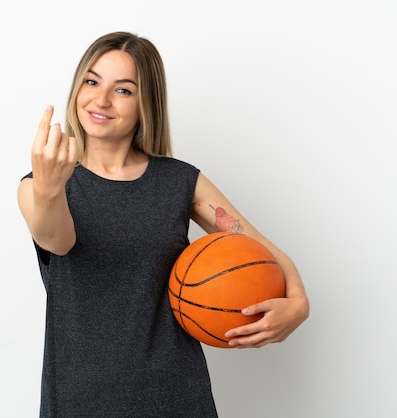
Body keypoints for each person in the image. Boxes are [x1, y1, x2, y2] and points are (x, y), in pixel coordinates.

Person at [17, 31, 309, 417]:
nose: (100, 100)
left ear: (146, 102)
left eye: (123, 90)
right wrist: (51, 187)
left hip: (176, 395)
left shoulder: (179, 181)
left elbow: (260, 250)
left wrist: (299, 302)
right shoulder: (38, 187)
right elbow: (57, 240)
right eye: (91, 81)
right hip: (81, 399)